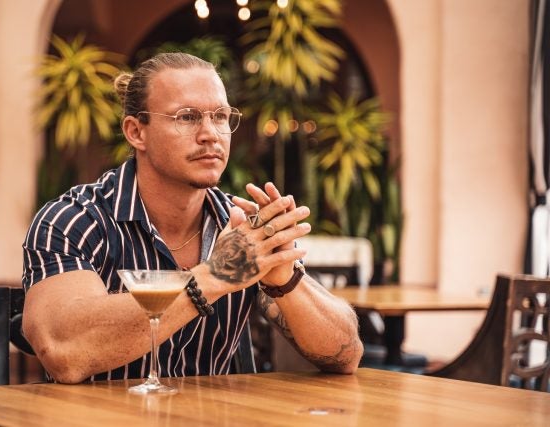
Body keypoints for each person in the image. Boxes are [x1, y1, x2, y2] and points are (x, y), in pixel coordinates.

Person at [21, 52, 363, 384]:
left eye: (221, 117)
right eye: (186, 117)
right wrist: (214, 277)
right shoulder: (73, 221)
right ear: (136, 132)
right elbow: (63, 351)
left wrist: (284, 280)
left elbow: (346, 355)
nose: (210, 133)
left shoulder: (241, 227)